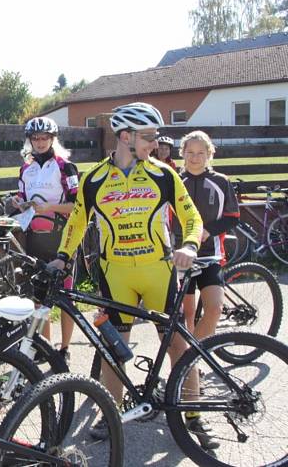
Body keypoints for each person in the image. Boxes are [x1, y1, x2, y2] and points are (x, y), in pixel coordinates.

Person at [48, 103, 215, 449]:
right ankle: (112, 416)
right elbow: (77, 222)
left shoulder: (163, 174)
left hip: (159, 271)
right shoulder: (95, 179)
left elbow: (193, 218)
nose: (155, 144)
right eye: (148, 137)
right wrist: (62, 259)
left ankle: (194, 415)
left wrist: (189, 246)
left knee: (178, 345)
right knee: (114, 348)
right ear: (126, 136)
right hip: (116, 274)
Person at [12, 116, 78, 362]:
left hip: (61, 238)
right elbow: (22, 197)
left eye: (44, 138)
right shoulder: (26, 168)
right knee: (39, 298)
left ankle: (64, 348)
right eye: (35, 138)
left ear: (53, 139)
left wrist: (47, 208)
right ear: (29, 140)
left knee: (65, 297)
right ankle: (46, 347)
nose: (40, 143)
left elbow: (77, 205)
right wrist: (18, 203)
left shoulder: (64, 166)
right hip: (35, 238)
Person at [179, 130, 239, 340]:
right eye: (190, 152)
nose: (195, 158)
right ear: (183, 153)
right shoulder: (175, 181)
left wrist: (208, 231)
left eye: (200, 153)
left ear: (209, 154)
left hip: (209, 255)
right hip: (180, 255)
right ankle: (189, 367)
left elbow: (232, 217)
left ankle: (196, 353)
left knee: (214, 309)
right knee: (186, 315)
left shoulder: (221, 182)